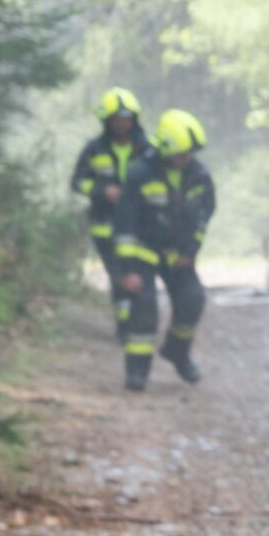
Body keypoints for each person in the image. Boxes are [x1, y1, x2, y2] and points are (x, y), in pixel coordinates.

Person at [113, 109, 216, 388]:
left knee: (192, 299)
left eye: (191, 153)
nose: (187, 159)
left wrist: (189, 252)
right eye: (182, 154)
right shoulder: (140, 174)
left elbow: (203, 216)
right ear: (165, 150)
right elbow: (124, 223)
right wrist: (127, 271)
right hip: (142, 253)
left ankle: (177, 352)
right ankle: (137, 371)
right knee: (144, 309)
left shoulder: (199, 176)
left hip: (177, 255)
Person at [70, 88, 155, 367]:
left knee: (138, 274)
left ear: (134, 119)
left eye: (126, 118)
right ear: (107, 121)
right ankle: (124, 324)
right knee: (118, 274)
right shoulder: (94, 149)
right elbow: (77, 181)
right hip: (104, 226)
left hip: (140, 227)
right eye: (116, 119)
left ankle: (136, 320)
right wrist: (101, 191)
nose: (122, 124)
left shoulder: (148, 149)